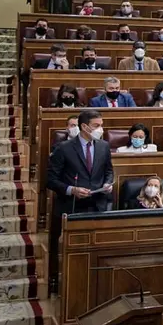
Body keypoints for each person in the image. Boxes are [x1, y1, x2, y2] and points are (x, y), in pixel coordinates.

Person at [46, 109, 114, 292]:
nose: (101, 129)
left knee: (97, 251)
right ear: (84, 127)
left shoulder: (104, 146)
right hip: (71, 207)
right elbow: (50, 180)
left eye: (101, 125)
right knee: (70, 255)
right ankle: (64, 288)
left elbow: (108, 170)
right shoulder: (64, 148)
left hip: (97, 205)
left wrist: (108, 183)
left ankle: (95, 287)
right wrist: (71, 190)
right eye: (97, 126)